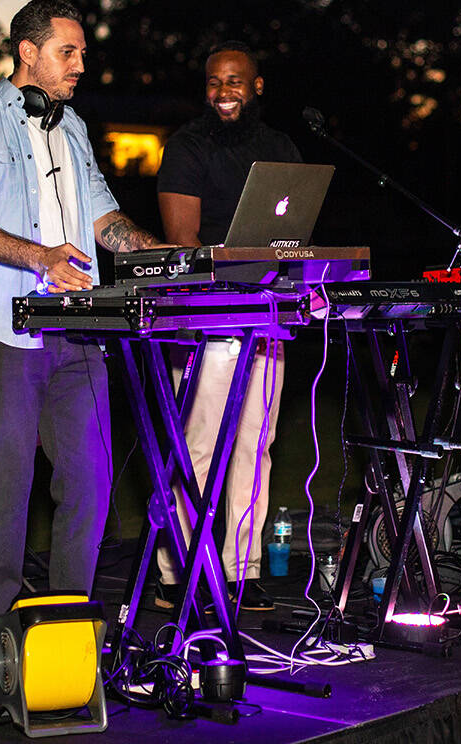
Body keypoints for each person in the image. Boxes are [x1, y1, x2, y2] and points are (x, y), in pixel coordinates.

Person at [0, 0, 164, 669]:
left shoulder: (75, 129)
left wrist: (169, 262)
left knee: (91, 482)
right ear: (28, 51)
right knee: (7, 482)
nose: (81, 65)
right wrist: (40, 258)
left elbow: (104, 220)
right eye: (70, 52)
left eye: (83, 53)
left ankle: (68, 620)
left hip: (78, 329)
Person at [154, 41, 302, 613]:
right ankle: (180, 571)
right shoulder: (188, 147)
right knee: (196, 446)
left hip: (266, 319)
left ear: (256, 86)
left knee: (254, 447)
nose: (224, 92)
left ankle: (239, 573)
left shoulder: (280, 148)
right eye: (215, 82)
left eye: (235, 81)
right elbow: (183, 241)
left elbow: (291, 231)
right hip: (207, 321)